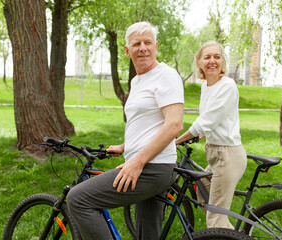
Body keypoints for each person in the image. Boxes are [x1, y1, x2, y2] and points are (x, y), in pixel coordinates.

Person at [67, 21, 184, 240]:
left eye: (148, 42)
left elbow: (174, 124)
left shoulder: (166, 75)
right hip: (147, 163)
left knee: (78, 198)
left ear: (156, 46)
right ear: (127, 50)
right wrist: (125, 147)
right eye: (136, 43)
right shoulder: (139, 80)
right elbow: (147, 123)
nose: (143, 48)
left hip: (152, 167)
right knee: (147, 235)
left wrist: (137, 162)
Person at [175, 41, 247, 229]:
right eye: (207, 57)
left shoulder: (227, 86)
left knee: (215, 219)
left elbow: (206, 120)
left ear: (223, 62)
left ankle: (221, 231)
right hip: (215, 153)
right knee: (202, 190)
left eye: (217, 56)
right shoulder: (206, 86)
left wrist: (177, 140)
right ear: (199, 62)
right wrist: (202, 134)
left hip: (227, 155)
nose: (212, 61)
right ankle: (227, 232)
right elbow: (213, 118)